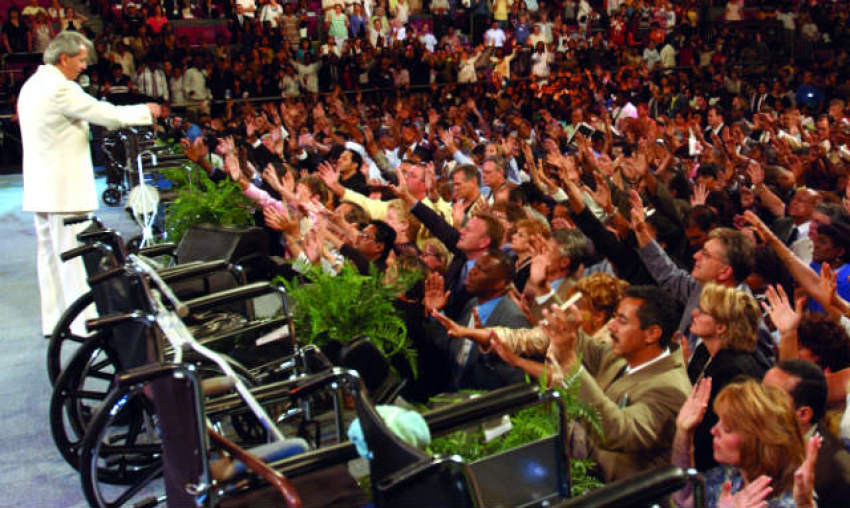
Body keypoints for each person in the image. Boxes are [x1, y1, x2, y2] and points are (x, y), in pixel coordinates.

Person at [18, 31, 165, 337]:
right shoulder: (59, 88)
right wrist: (144, 111)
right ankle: (83, 324)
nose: (84, 66)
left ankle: (56, 320)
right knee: (72, 258)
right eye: (81, 59)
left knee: (50, 259)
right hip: (64, 191)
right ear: (63, 58)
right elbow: (104, 113)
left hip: (43, 189)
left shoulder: (32, 85)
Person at [538, 285, 691, 482]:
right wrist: (542, 292)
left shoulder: (670, 389)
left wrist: (570, 364)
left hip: (624, 496)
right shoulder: (623, 354)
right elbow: (577, 341)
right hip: (587, 476)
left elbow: (619, 432)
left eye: (622, 320)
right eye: (614, 318)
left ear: (652, 334)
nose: (611, 326)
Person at [672, 378, 821, 508]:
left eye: (728, 429)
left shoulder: (789, 501)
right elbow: (686, 499)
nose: (713, 431)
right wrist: (683, 433)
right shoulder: (735, 473)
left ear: (759, 440)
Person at [763, 359, 850, 508]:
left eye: (770, 398)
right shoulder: (767, 441)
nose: (756, 402)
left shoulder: (832, 473)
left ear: (803, 414)